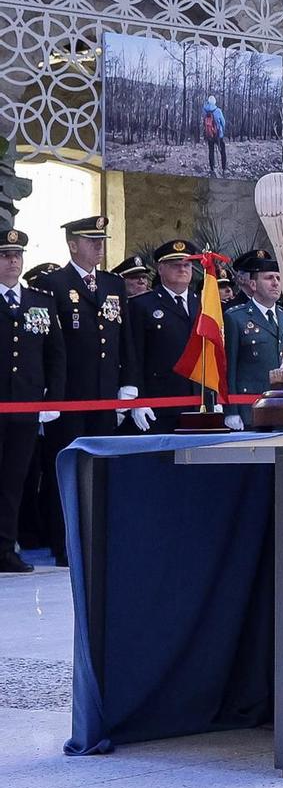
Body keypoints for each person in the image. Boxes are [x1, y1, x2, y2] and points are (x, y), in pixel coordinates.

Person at [31, 215, 123, 564]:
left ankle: (97, 539)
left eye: (101, 240)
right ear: (72, 244)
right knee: (66, 471)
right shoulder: (53, 284)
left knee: (102, 469)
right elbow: (50, 347)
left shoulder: (112, 284)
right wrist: (50, 394)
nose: (98, 246)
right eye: (90, 240)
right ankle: (64, 544)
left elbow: (121, 339)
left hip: (104, 393)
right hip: (68, 396)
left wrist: (128, 385)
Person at [0, 228, 62, 572]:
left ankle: (5, 548)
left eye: (17, 255)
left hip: (25, 405)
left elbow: (55, 355)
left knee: (14, 480)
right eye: (6, 255)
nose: (13, 261)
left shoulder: (39, 301)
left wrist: (53, 397)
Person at [118, 240, 204, 435]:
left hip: (197, 399)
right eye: (175, 265)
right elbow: (134, 356)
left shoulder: (203, 305)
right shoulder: (142, 305)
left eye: (187, 265)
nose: (182, 269)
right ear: (161, 269)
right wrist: (138, 400)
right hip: (159, 400)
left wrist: (213, 397)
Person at [222, 255, 283, 428]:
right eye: (268, 278)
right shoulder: (236, 317)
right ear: (252, 284)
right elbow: (229, 367)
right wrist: (232, 410)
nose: (275, 283)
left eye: (278, 278)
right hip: (251, 407)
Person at [202, 94, 228, 175]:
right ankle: (224, 168)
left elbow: (203, 121)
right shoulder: (218, 110)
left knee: (211, 151)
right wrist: (222, 131)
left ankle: (212, 168)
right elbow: (223, 123)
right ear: (215, 102)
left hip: (209, 134)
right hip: (218, 135)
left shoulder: (204, 110)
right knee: (222, 151)